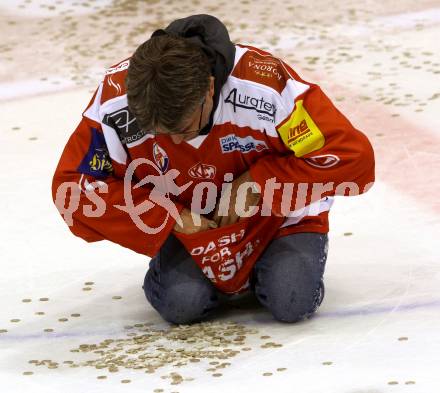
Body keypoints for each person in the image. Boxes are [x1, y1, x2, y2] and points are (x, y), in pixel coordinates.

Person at [52, 14, 375, 325]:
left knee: (291, 301)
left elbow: (351, 157)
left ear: (208, 88)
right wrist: (168, 215)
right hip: (194, 228)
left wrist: (261, 183)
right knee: (181, 306)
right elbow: (72, 189)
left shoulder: (265, 84)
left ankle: (265, 269)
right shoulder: (114, 99)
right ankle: (203, 278)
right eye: (159, 134)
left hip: (277, 219)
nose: (175, 141)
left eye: (184, 128)